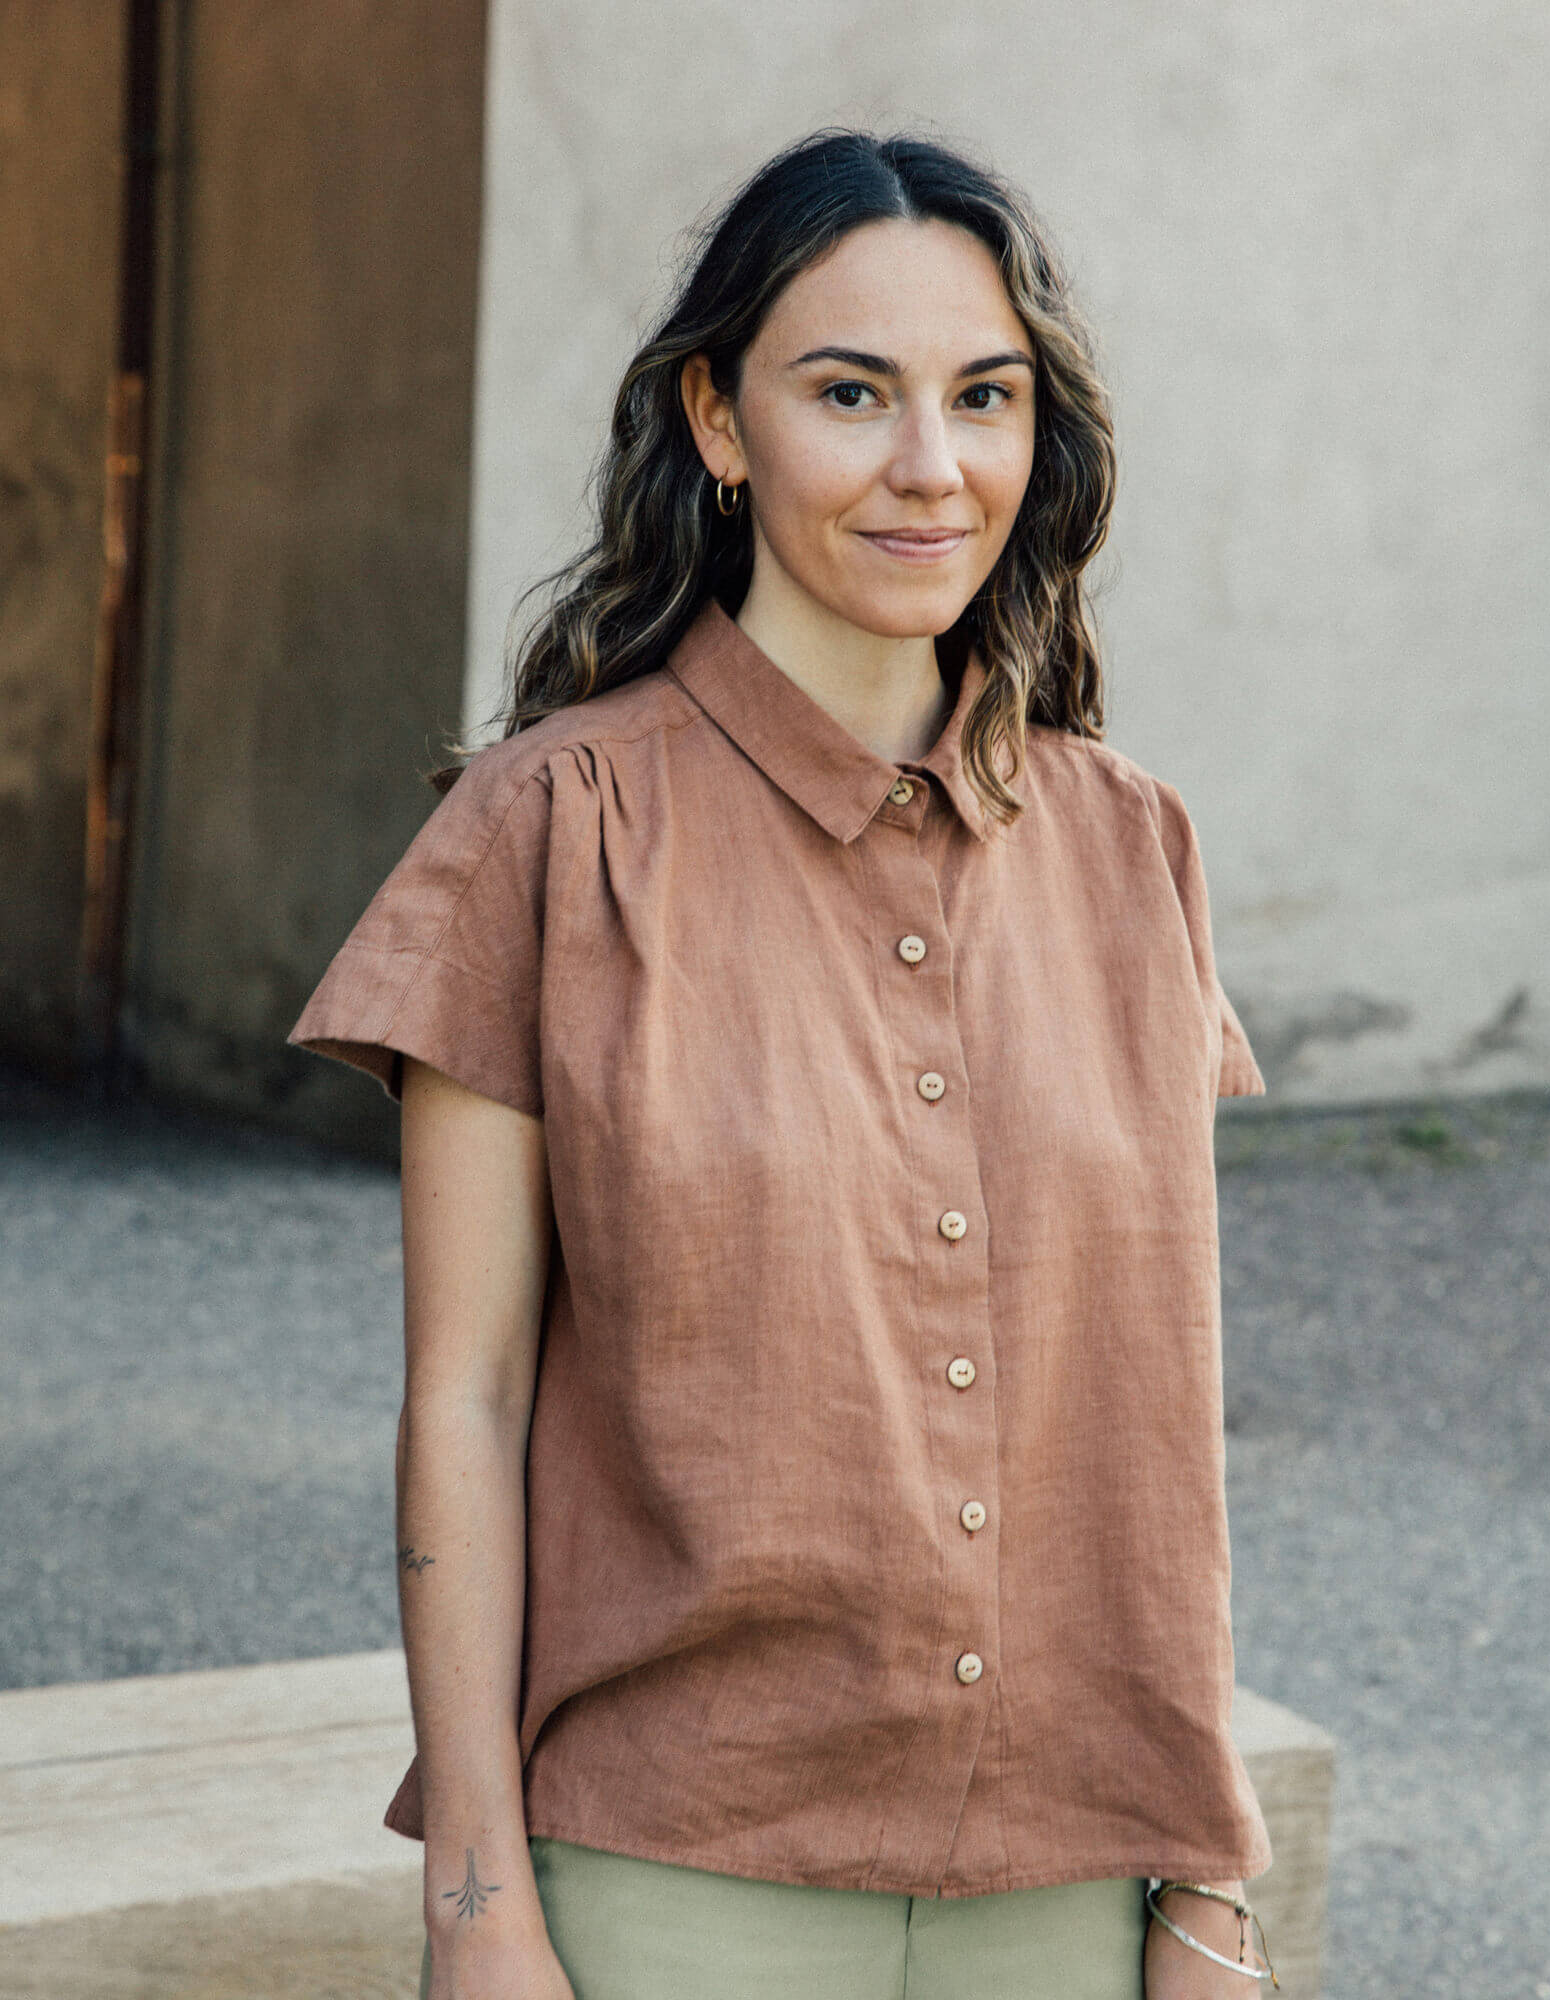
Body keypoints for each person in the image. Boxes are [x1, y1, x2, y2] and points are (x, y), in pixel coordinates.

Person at [289, 128, 1278, 2000]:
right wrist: (478, 1906)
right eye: (851, 393)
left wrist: (1204, 1889)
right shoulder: (547, 834)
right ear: (718, 422)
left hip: (1064, 1885)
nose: (933, 466)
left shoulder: (1130, 847)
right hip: (674, 1874)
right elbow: (465, 1405)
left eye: (985, 398)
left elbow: (1153, 1421)